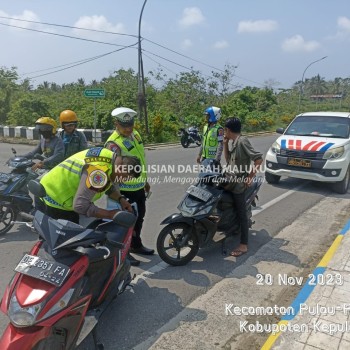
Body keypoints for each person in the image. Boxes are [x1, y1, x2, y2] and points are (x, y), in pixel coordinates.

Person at [35, 147, 139, 224]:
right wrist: (111, 214)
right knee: (66, 246)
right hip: (55, 199)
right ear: (120, 168)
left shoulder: (109, 157)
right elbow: (80, 206)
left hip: (47, 186)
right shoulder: (99, 173)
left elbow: (107, 186)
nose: (123, 181)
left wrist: (120, 199)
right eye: (125, 177)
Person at [105, 107, 154, 266]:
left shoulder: (136, 135)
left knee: (139, 218)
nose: (128, 128)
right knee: (123, 223)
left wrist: (145, 182)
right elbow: (113, 171)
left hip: (138, 187)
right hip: (124, 190)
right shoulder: (113, 143)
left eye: (130, 124)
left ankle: (135, 245)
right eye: (124, 125)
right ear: (116, 124)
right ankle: (122, 253)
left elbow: (139, 160)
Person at [223, 117, 263, 257]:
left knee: (241, 213)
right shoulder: (234, 142)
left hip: (238, 185)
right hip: (229, 179)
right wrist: (225, 145)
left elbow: (258, 159)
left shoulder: (242, 141)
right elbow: (228, 160)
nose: (224, 132)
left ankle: (244, 244)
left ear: (228, 129)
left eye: (225, 130)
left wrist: (250, 177)